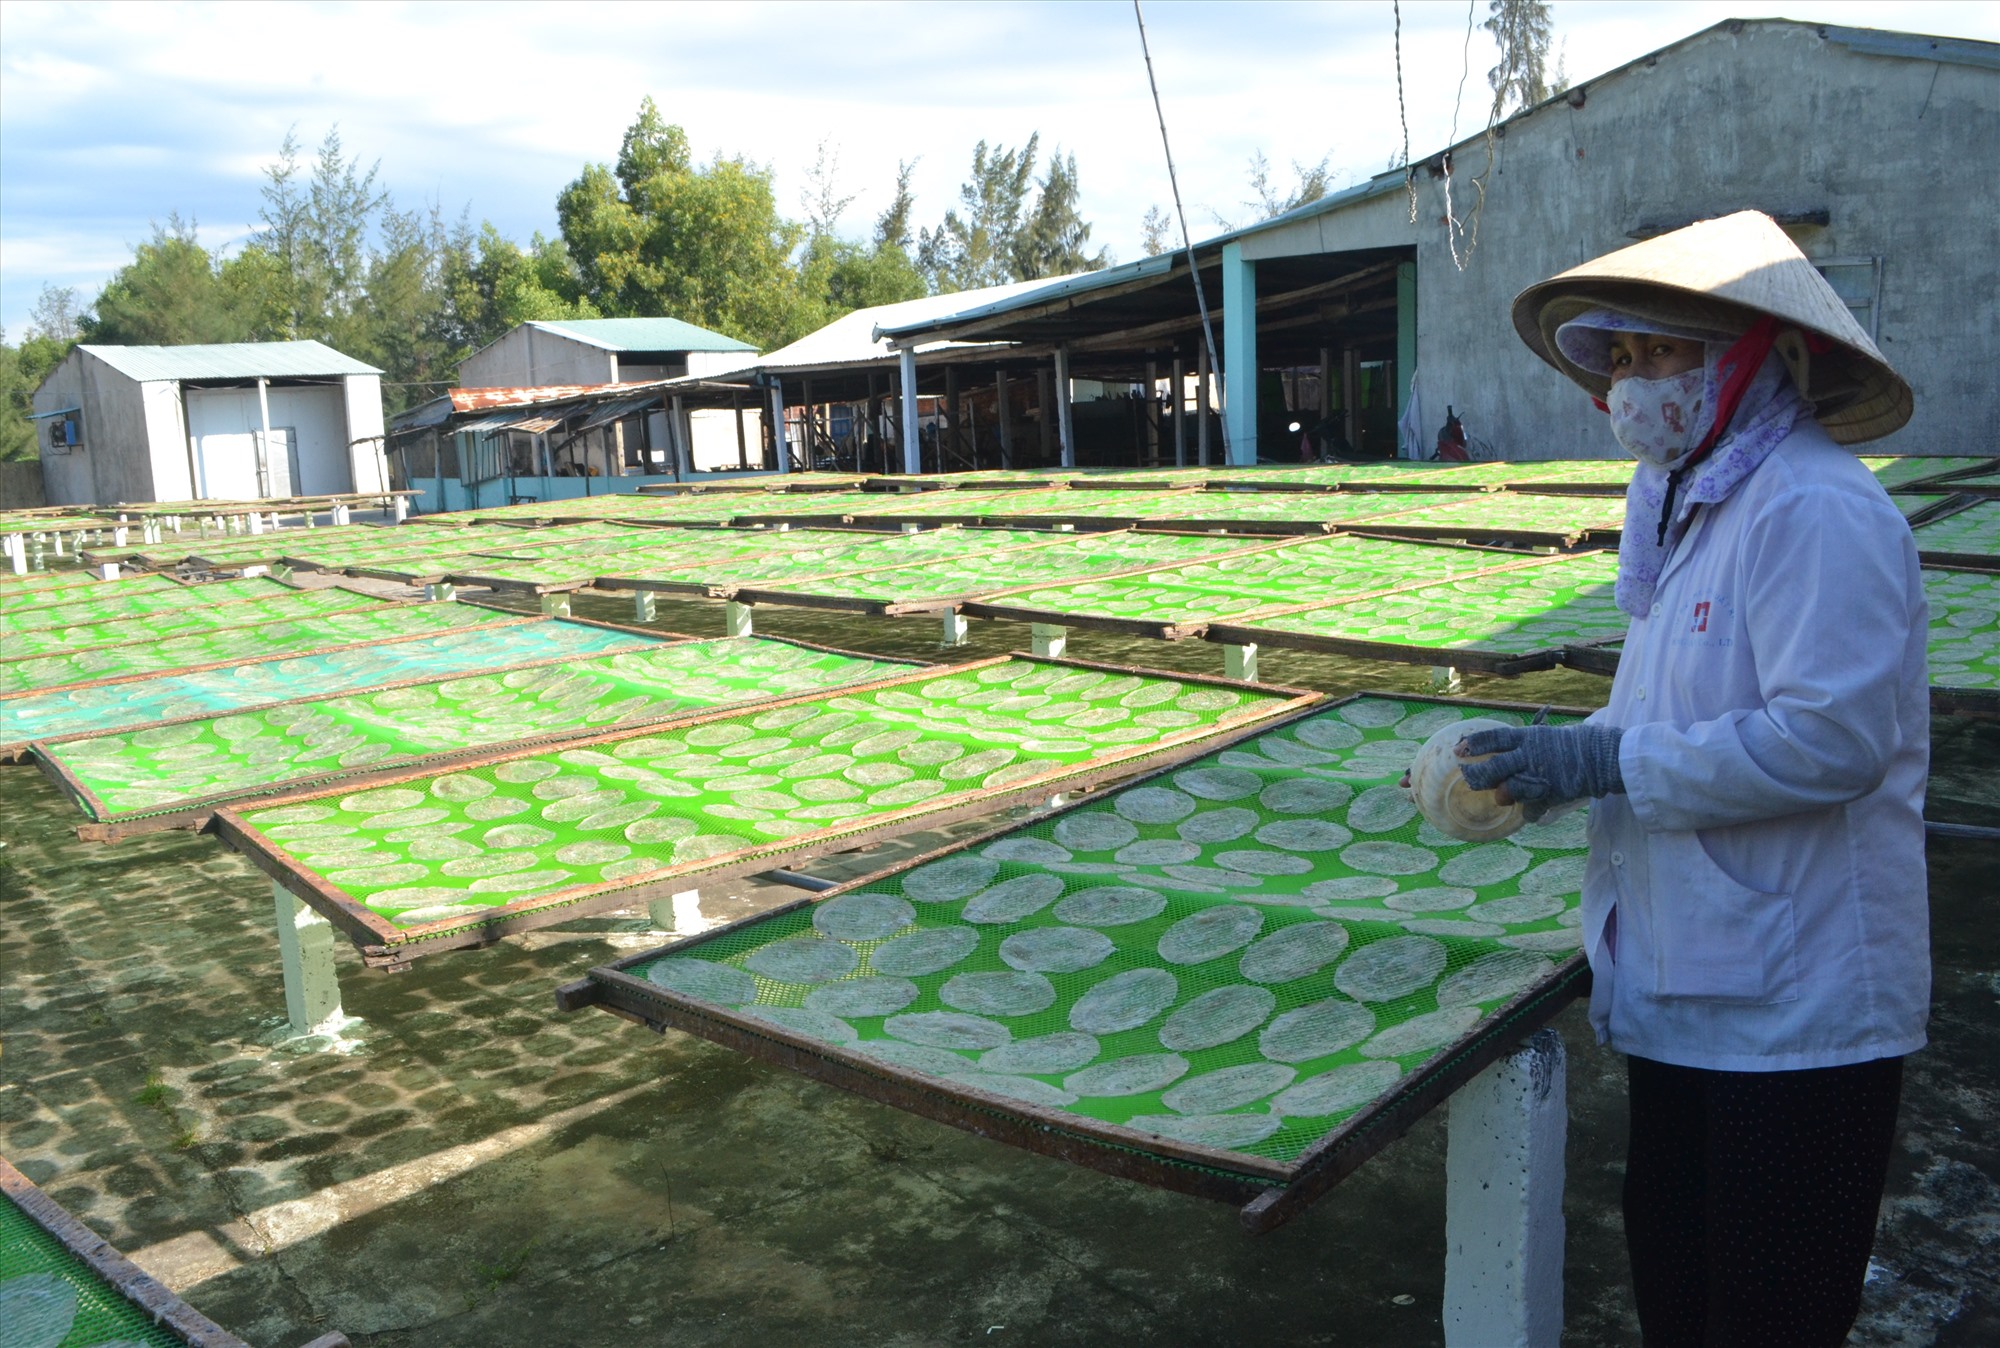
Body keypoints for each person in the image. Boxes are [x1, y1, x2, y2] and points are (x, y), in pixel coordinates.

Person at [1456, 211, 1929, 1347]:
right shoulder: (1690, 510)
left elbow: (1831, 740)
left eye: (1661, 352)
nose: (1633, 383)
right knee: (1680, 1296)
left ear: (1755, 356)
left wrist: (1606, 757)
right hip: (1689, 994)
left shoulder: (1816, 509)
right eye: (1618, 360)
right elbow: (1667, 716)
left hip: (1799, 1015)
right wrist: (1561, 758)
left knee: (1764, 1317)